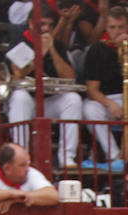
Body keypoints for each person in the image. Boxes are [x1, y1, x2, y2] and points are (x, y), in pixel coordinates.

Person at [7, 8, 84, 169]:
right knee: (20, 96)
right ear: (30, 23)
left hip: (49, 101)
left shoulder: (56, 44)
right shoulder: (20, 41)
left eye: (50, 25)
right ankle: (21, 156)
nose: (46, 28)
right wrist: (40, 53)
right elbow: (19, 72)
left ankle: (67, 157)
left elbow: (69, 77)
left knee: (73, 98)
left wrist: (53, 50)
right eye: (42, 24)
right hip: (27, 102)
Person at [82, 5, 128, 169]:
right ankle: (114, 157)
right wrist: (110, 104)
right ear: (106, 28)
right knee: (89, 109)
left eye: (121, 27)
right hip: (107, 100)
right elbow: (92, 89)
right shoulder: (98, 48)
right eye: (112, 27)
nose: (117, 31)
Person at [0, 142, 60, 212]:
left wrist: (21, 198)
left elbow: (53, 196)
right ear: (7, 168)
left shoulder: (31, 173)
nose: (28, 168)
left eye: (28, 163)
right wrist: (12, 194)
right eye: (22, 165)